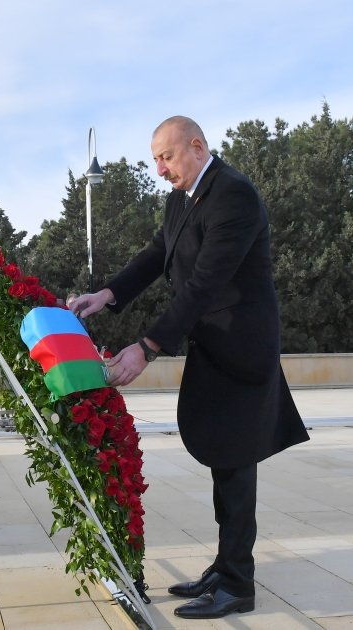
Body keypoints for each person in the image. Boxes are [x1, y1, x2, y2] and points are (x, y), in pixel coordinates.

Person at [68, 116, 310, 620]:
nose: (160, 169)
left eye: (167, 156)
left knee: (236, 461)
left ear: (197, 147)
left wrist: (147, 347)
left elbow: (204, 284)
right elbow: (158, 254)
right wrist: (108, 294)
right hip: (211, 345)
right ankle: (224, 567)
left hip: (241, 349)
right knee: (223, 456)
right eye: (155, 160)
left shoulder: (234, 194)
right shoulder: (181, 198)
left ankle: (238, 583)